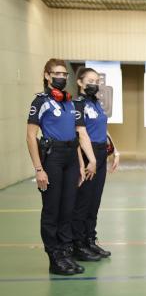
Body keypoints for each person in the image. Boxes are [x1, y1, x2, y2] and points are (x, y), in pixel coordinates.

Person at [26, 58, 98, 275]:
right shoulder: (40, 102)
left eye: (64, 74)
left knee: (67, 209)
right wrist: (39, 169)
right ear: (47, 75)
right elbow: (31, 136)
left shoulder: (69, 102)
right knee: (52, 210)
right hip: (52, 157)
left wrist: (78, 165)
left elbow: (75, 136)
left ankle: (65, 253)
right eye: (56, 73)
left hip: (69, 157)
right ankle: (54, 257)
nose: (61, 77)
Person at [71, 66, 120, 261]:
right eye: (90, 80)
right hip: (86, 154)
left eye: (97, 80)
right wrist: (88, 160)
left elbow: (103, 129)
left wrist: (114, 149)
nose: (94, 84)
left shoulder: (96, 103)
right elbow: (80, 133)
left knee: (94, 201)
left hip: (100, 153)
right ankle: (78, 244)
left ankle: (90, 240)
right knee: (82, 202)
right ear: (80, 82)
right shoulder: (78, 104)